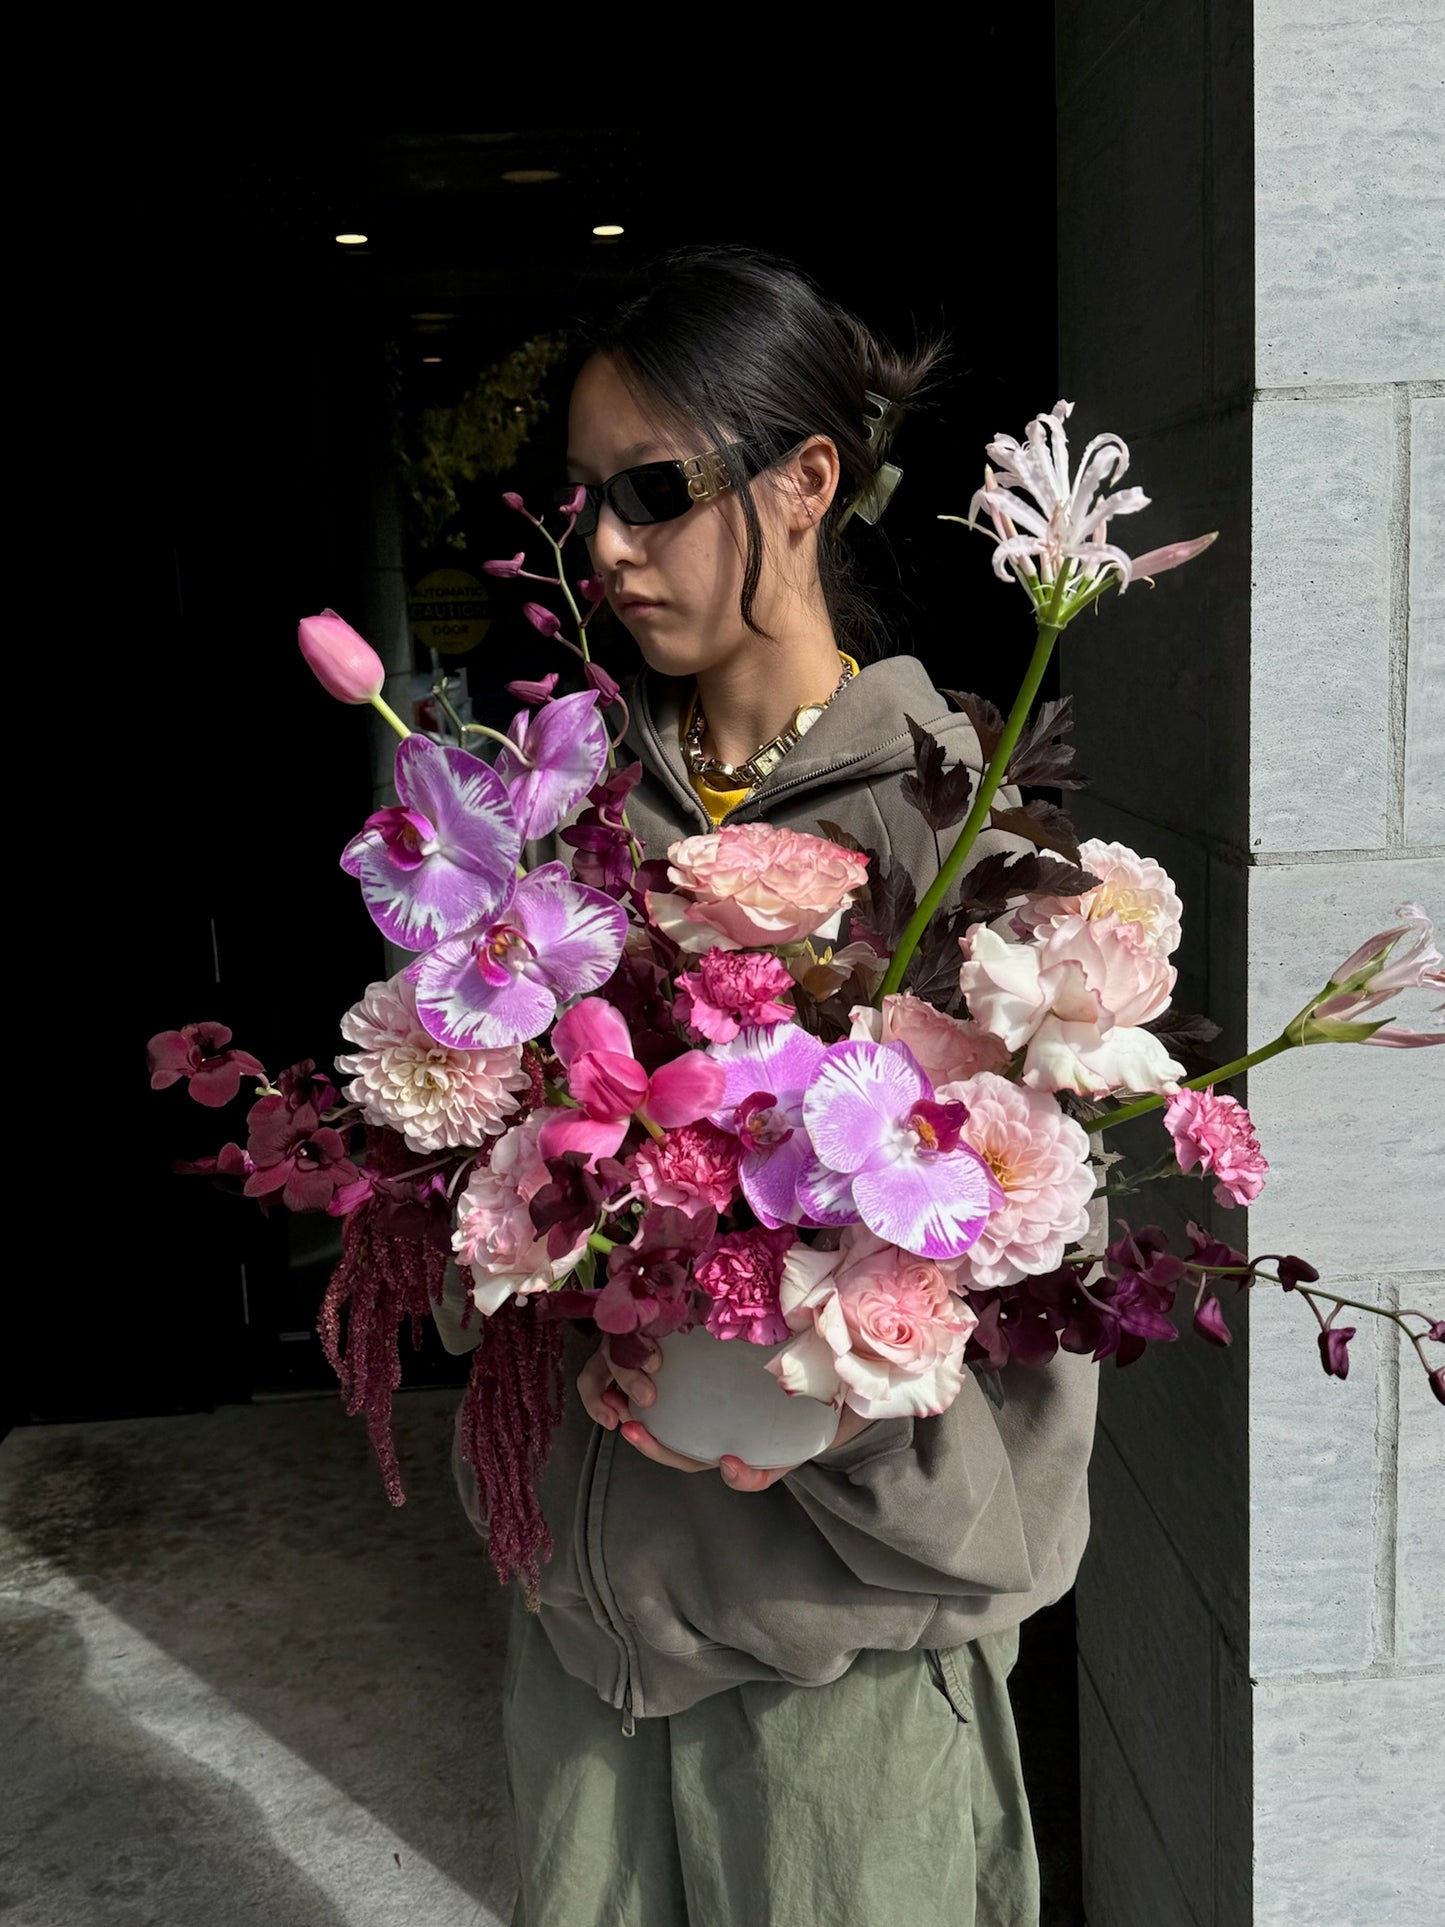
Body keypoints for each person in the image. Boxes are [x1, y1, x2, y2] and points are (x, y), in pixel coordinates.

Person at [435, 244, 1099, 1927]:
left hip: (836, 1708)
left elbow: (1029, 1378)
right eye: (585, 499)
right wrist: (549, 1294)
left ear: (806, 481)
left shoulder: (959, 849)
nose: (604, 547)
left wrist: (812, 1400)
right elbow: (458, 1214)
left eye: (652, 490)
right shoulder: (562, 828)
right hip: (581, 1669)